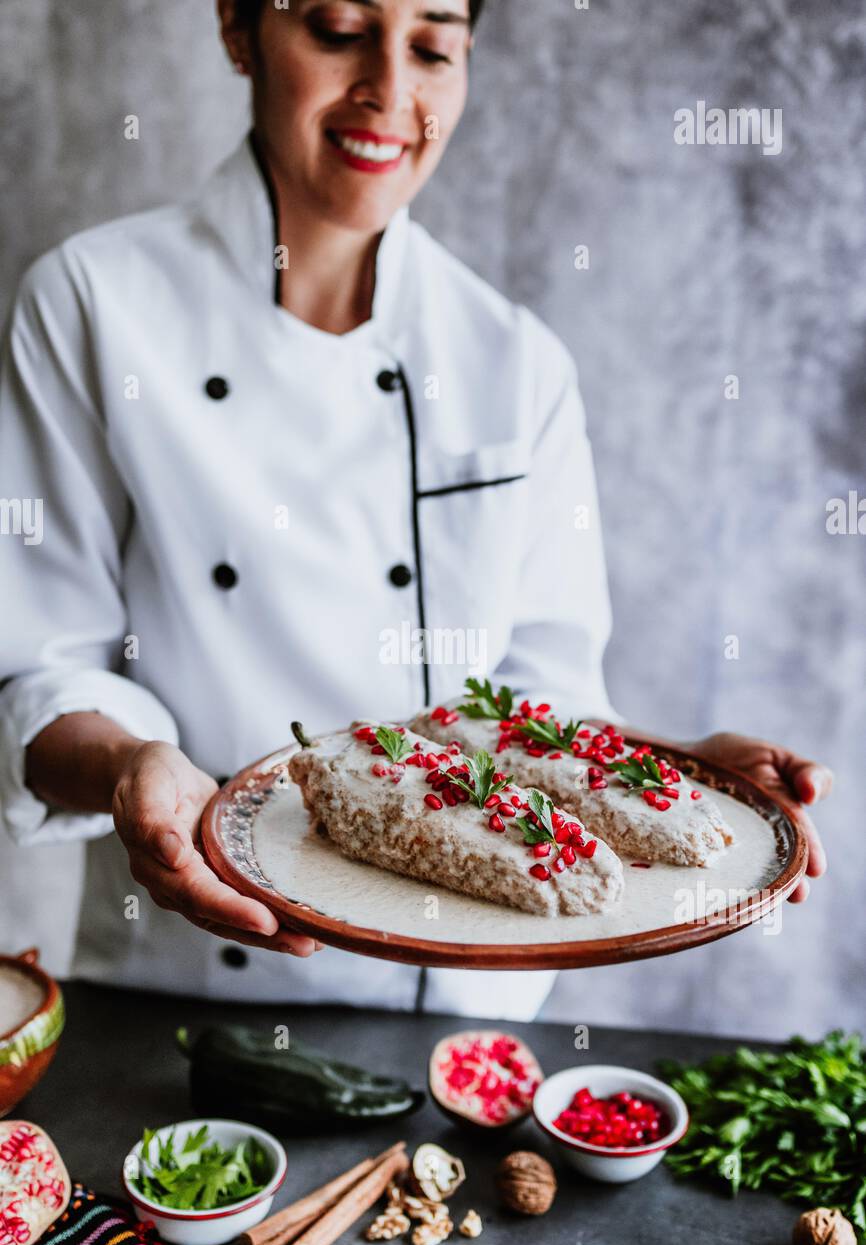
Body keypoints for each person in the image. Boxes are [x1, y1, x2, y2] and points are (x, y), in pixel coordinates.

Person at [0, 0, 831, 1019]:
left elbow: (531, 703)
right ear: (236, 29)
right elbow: (42, 669)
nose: (390, 91)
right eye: (340, 29)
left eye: (433, 47)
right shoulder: (94, 301)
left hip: (469, 993)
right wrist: (135, 765)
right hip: (194, 986)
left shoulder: (513, 362)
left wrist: (653, 771)